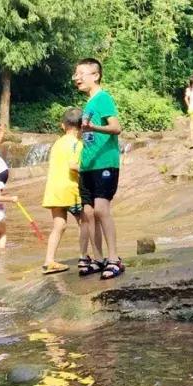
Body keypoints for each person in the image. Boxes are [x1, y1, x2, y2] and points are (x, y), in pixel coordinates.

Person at [73, 58, 124, 279]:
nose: (77, 78)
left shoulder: (103, 99)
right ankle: (98, 258)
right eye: (76, 74)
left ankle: (114, 259)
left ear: (95, 75)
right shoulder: (89, 103)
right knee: (88, 212)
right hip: (87, 166)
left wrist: (93, 126)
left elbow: (116, 127)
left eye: (81, 73)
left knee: (102, 210)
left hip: (105, 163)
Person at [41, 108, 87, 274]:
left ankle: (49, 260)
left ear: (63, 125)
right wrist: (88, 170)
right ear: (82, 127)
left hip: (54, 190)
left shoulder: (57, 143)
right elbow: (73, 166)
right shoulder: (77, 144)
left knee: (59, 225)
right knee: (84, 222)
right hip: (71, 190)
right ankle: (84, 257)